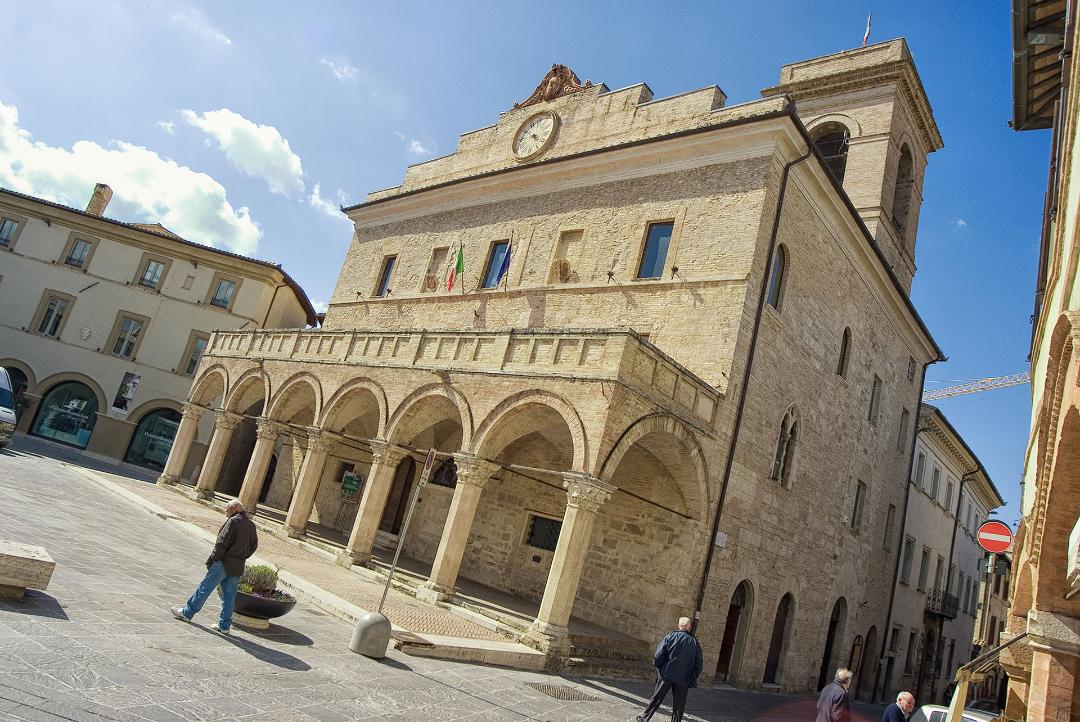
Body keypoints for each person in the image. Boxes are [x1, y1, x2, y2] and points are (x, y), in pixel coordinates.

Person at [171, 499, 258, 635]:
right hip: (237, 566)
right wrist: (241, 557)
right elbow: (253, 547)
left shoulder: (233, 521)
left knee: (204, 588)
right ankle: (224, 625)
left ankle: (187, 613)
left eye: (228, 510)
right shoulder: (251, 525)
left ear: (235, 508)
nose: (226, 513)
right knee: (229, 597)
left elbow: (221, 542)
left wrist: (213, 558)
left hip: (223, 562)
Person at [635, 616, 704, 722]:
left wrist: (660, 668)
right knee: (679, 706)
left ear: (679, 625)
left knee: (656, 698)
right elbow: (698, 664)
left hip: (666, 674)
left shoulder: (670, 637)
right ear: (689, 627)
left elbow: (658, 655)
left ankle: (644, 719)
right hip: (683, 678)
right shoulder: (695, 643)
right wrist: (692, 677)